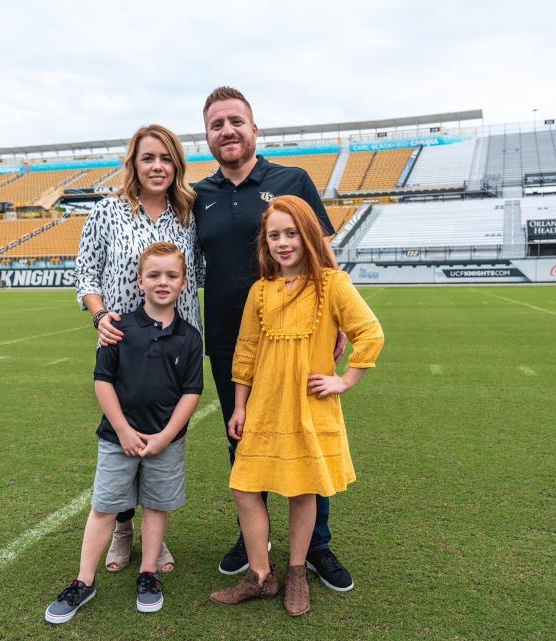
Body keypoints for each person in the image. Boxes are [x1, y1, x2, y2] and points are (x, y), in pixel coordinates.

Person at [193, 86, 355, 591]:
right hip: (229, 341)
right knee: (242, 440)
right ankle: (255, 544)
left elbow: (324, 255)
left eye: (236, 121)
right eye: (217, 124)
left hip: (302, 337)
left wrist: (340, 325)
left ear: (254, 127)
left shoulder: (292, 179)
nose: (228, 131)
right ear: (207, 136)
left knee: (308, 437)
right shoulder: (198, 196)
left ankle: (317, 548)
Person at [208, 195, 384, 615]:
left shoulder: (332, 285)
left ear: (307, 234)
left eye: (291, 233)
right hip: (264, 407)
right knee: (244, 486)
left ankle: (298, 571)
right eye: (274, 235)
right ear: (264, 243)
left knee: (302, 491)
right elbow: (246, 351)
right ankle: (260, 576)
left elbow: (371, 333)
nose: (283, 242)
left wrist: (344, 380)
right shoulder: (260, 291)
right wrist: (239, 406)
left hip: (308, 408)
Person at [46, 242, 203, 623]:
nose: (162, 282)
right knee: (104, 507)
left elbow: (191, 392)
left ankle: (147, 573)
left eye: (171, 275)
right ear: (139, 281)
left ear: (184, 283)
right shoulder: (117, 328)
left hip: (165, 442)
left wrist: (165, 436)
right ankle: (84, 580)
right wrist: (123, 429)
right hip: (118, 440)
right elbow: (103, 382)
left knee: (155, 505)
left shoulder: (190, 336)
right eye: (154, 275)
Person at [75, 123, 201, 575]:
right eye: (148, 157)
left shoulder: (188, 213)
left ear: (177, 165)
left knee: (163, 433)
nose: (157, 166)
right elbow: (87, 275)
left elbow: (198, 273)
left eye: (166, 158)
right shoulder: (107, 212)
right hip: (123, 344)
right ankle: (123, 530)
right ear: (133, 163)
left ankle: (154, 541)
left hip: (175, 343)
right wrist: (100, 316)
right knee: (122, 434)